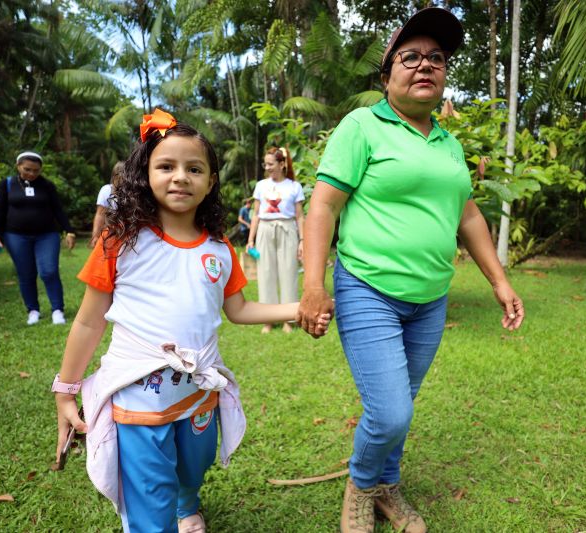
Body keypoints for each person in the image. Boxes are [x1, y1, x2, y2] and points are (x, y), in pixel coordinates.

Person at [295, 8, 525, 533]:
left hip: (431, 297)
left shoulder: (448, 143)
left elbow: (467, 215)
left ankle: (387, 486)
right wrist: (313, 285)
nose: (426, 66)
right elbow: (324, 207)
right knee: (392, 411)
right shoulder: (362, 126)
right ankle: (360, 485)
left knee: (400, 405)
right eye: (412, 57)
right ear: (387, 74)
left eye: (437, 59)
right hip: (368, 288)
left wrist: (500, 281)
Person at [52, 109, 329, 533]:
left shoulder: (219, 249)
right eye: (166, 166)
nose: (180, 176)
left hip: (200, 395)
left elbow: (238, 310)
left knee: (192, 468)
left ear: (210, 181)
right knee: (149, 497)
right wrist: (66, 390)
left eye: (193, 168)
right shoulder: (120, 242)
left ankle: (188, 503)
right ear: (146, 173)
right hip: (138, 399)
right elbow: (90, 323)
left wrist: (298, 309)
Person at [0, 151, 76, 326]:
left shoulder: (47, 186)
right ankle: (33, 310)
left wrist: (69, 230)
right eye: (27, 169)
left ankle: (57, 310)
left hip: (47, 235)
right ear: (18, 166)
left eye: (36, 170)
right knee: (26, 273)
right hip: (16, 236)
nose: (32, 174)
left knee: (49, 271)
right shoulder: (7, 184)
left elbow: (58, 210)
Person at [246, 146, 305, 334]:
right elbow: (255, 214)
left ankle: (288, 319)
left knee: (289, 273)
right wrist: (250, 239)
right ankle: (268, 320)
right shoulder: (261, 185)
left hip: (287, 229)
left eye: (271, 164)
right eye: (266, 164)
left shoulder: (294, 187)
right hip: (265, 229)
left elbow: (300, 216)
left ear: (282, 164)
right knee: (266, 273)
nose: (267, 167)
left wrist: (302, 240)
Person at [90, 161, 125, 249]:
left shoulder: (133, 192)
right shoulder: (107, 190)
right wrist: (95, 235)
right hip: (110, 233)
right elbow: (100, 214)